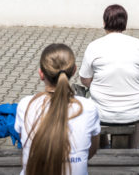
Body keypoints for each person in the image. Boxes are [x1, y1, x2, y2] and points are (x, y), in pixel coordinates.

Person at [16, 43, 100, 175]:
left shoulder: (26, 105)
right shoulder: (88, 107)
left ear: (41, 74)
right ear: (74, 71)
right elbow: (92, 150)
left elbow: (25, 145)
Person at [80, 4, 139, 149]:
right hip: (134, 112)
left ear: (104, 22)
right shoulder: (137, 44)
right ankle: (133, 147)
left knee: (86, 99)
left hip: (102, 113)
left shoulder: (94, 46)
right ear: (125, 23)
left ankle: (103, 144)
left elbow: (85, 80)